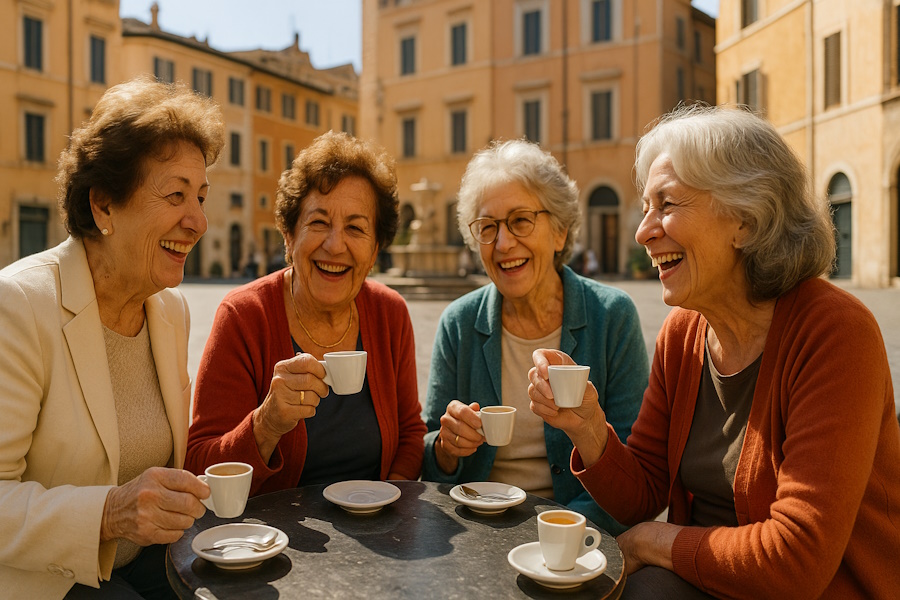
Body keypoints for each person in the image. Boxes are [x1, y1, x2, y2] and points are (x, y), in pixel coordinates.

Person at [528, 105, 900, 598]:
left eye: (667, 204)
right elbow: (642, 494)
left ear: (745, 218)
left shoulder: (834, 332)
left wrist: (657, 541)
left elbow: (798, 559)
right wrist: (587, 426)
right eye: (645, 208)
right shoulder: (683, 332)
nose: (643, 231)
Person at [0, 76, 224, 599]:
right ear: (103, 207)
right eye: (175, 195)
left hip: (144, 566)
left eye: (201, 197)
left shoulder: (169, 310)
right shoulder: (19, 304)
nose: (197, 221)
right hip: (46, 583)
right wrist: (108, 513)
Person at [421, 139, 649, 534]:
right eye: (487, 227)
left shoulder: (611, 316)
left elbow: (633, 469)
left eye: (521, 220)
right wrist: (445, 448)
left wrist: (560, 531)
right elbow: (426, 461)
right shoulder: (458, 322)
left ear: (560, 232)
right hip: (477, 530)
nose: (503, 243)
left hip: (575, 533)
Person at [186, 131, 426, 494]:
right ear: (288, 234)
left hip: (377, 533)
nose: (335, 244)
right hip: (271, 538)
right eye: (318, 222)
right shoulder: (244, 315)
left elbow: (410, 432)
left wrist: (389, 499)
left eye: (356, 228)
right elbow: (200, 463)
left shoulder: (389, 312)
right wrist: (266, 424)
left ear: (375, 250)